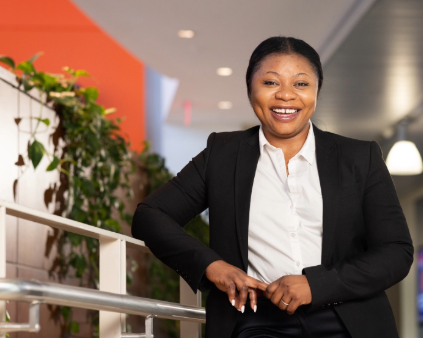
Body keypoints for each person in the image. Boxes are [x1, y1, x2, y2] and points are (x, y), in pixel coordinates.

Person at [131, 36, 413, 338]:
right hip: (256, 320)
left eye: (301, 84)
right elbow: (150, 215)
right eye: (270, 83)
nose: (286, 96)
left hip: (346, 317)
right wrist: (213, 266)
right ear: (250, 88)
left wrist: (315, 285)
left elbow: (395, 252)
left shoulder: (359, 157)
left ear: (317, 90)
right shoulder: (222, 154)